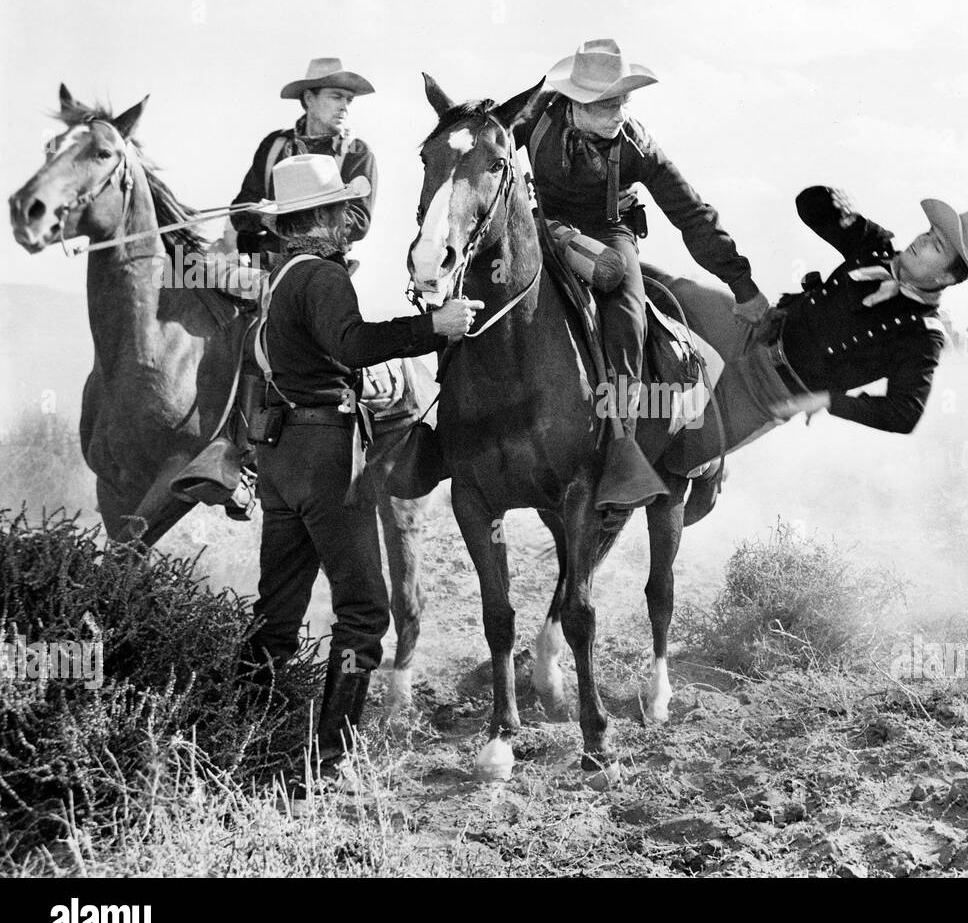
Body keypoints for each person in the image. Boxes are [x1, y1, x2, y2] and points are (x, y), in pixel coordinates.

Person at [243, 154, 479, 803]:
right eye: (342, 209)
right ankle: (330, 759)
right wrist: (435, 328)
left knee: (276, 616)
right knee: (365, 614)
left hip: (281, 461)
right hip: (326, 460)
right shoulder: (322, 278)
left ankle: (241, 731)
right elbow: (352, 345)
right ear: (316, 218)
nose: (352, 220)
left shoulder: (283, 276)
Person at [510, 39, 767, 517]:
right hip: (538, 226)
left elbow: (692, 214)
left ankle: (622, 444)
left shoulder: (638, 145)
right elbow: (488, 145)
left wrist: (743, 285)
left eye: (625, 99)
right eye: (608, 102)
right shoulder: (535, 115)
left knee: (628, 317)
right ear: (574, 101)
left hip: (610, 235)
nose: (620, 112)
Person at [767, 186, 968, 433]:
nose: (923, 239)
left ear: (945, 278)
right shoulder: (874, 245)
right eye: (929, 232)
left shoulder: (922, 333)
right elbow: (808, 206)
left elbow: (905, 414)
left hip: (776, 390)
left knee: (717, 435)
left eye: (937, 246)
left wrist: (829, 401)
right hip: (758, 328)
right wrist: (832, 200)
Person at [229, 58, 378, 261]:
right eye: (336, 97)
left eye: (349, 99)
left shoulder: (356, 152)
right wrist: (263, 216)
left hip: (321, 270)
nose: (345, 107)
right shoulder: (275, 145)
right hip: (267, 270)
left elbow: (359, 223)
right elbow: (240, 211)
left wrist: (286, 221)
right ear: (309, 99)